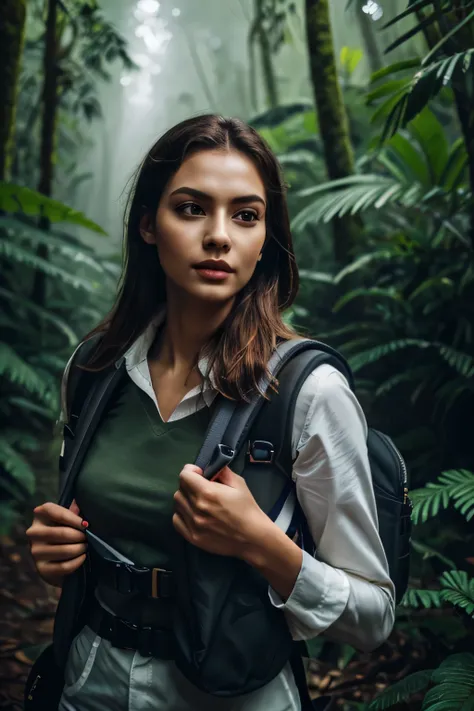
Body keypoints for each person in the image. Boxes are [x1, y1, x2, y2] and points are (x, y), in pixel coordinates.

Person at [26, 114, 395, 711]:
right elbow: (77, 522)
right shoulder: (94, 371)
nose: (219, 236)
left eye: (246, 215)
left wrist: (259, 542)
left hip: (234, 694)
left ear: (265, 240)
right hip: (88, 681)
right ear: (148, 224)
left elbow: (374, 616)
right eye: (192, 208)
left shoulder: (309, 393)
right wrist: (58, 550)